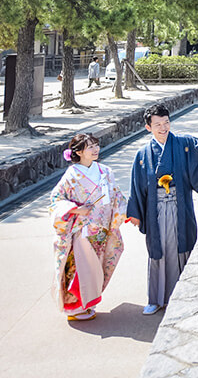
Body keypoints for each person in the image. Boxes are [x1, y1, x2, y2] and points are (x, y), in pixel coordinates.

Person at [126, 105, 198, 314]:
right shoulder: (143, 154)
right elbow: (137, 184)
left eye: (166, 122)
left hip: (180, 206)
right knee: (158, 251)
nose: (163, 127)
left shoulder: (183, 144)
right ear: (148, 127)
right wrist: (135, 212)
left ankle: (185, 297)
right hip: (155, 209)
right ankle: (156, 299)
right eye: (157, 124)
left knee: (182, 246)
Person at [50, 133, 129, 321]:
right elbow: (56, 200)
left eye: (96, 145)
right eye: (90, 147)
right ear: (78, 152)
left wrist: (129, 213)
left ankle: (88, 304)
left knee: (96, 268)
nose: (95, 150)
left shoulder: (105, 171)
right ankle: (73, 307)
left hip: (102, 229)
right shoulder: (71, 176)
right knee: (79, 269)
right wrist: (76, 210)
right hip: (82, 230)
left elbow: (116, 195)